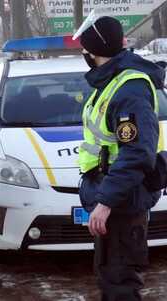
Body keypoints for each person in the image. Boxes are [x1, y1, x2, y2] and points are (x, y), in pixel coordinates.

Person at [74, 12, 165, 300]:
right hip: (115, 196)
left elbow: (137, 152)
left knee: (120, 284)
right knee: (110, 279)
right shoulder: (111, 82)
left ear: (95, 50)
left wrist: (105, 202)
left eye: (85, 49)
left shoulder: (129, 88)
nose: (83, 54)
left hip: (122, 202)